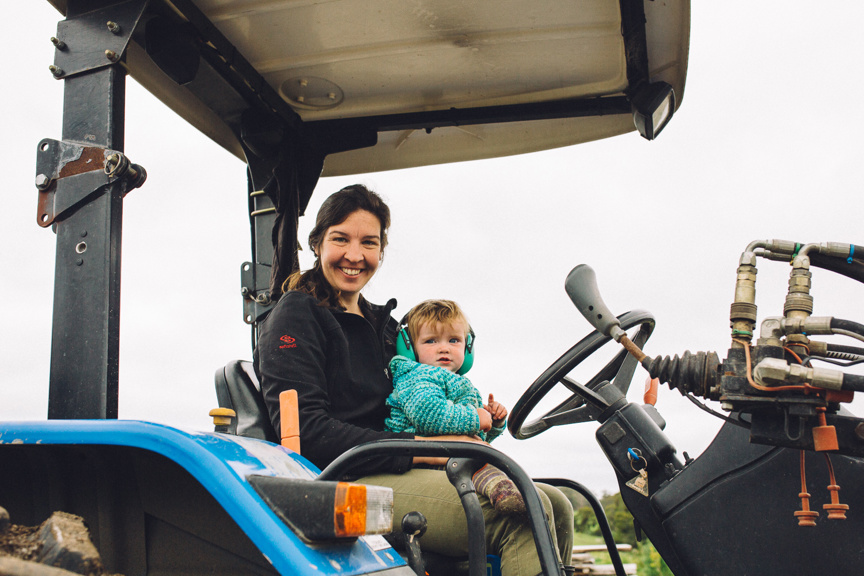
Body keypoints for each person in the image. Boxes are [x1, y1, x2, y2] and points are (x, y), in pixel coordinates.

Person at [254, 184, 573, 576]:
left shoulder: (387, 328)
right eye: (341, 239)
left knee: (556, 504)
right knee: (522, 516)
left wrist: (471, 419)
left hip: (399, 467)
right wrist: (428, 448)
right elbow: (309, 430)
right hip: (344, 478)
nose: (354, 255)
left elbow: (420, 397)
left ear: (381, 252)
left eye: (368, 243)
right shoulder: (297, 314)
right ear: (318, 243)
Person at [386, 299, 526, 516]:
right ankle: (506, 496)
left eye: (453, 340)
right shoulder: (415, 376)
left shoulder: (458, 383)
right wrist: (475, 417)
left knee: (492, 464)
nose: (444, 348)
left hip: (451, 457)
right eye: (431, 341)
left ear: (467, 347)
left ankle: (511, 496)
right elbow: (429, 416)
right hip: (420, 461)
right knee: (488, 469)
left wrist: (494, 422)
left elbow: (474, 438)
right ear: (410, 349)